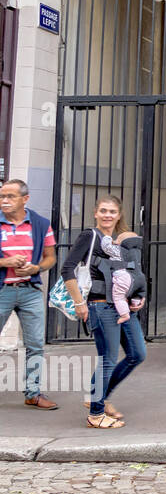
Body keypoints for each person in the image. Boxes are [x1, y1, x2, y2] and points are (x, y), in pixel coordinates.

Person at [62, 196, 146, 429]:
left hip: (125, 306)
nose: (108, 215)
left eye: (112, 212)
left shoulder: (122, 240)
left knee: (137, 354)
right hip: (100, 305)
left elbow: (134, 272)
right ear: (95, 213)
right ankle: (96, 414)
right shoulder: (90, 236)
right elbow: (67, 269)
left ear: (119, 215)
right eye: (103, 211)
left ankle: (97, 398)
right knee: (107, 360)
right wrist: (79, 303)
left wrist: (139, 295)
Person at [0, 179, 58, 410]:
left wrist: (36, 268)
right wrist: (6, 262)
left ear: (25, 199)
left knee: (35, 344)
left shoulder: (41, 224)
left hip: (30, 291)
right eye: (2, 196)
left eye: (10, 196)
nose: (4, 201)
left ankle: (33, 393)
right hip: (3, 289)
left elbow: (50, 257)